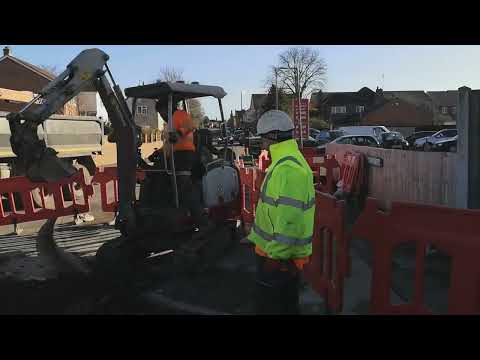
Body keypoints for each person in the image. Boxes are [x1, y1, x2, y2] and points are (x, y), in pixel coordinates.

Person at [248, 110, 316, 315]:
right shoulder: (284, 163)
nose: (261, 144)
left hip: (279, 259)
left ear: (272, 137)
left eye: (262, 138)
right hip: (274, 254)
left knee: (275, 307)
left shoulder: (289, 169)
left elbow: (290, 222)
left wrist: (276, 258)